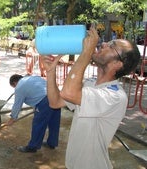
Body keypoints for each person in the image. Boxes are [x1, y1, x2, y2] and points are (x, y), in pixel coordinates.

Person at [41, 27, 140, 169]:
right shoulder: (90, 84)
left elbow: (69, 93)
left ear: (117, 64)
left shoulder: (116, 96)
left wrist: (86, 52)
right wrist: (51, 72)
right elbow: (55, 102)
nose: (104, 44)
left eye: (112, 46)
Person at [6, 74, 61, 153]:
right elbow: (37, 91)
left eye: (13, 87)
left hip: (45, 101)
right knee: (54, 122)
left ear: (14, 83)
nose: (15, 88)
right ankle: (52, 143)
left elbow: (17, 105)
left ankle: (33, 147)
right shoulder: (33, 77)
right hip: (55, 96)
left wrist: (12, 118)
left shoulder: (19, 87)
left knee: (38, 124)